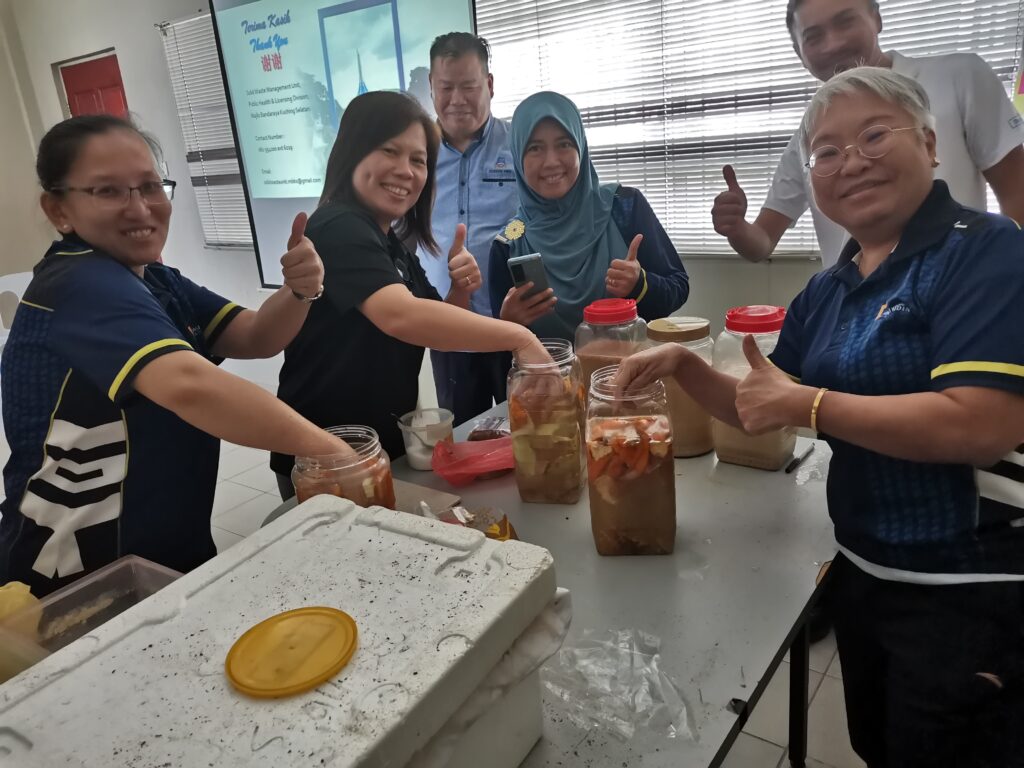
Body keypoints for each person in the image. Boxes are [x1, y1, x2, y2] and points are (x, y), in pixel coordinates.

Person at [619, 68, 1024, 767]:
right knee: (877, 744)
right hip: (862, 570)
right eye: (827, 152)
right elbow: (760, 407)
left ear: (930, 145)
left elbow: (979, 425)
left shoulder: (985, 248)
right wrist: (686, 366)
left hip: (969, 589)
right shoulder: (829, 289)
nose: (851, 162)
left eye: (874, 135)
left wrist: (809, 404)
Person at [0, 115, 352, 597]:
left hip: (160, 551)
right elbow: (191, 385)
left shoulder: (157, 280)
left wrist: (299, 291)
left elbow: (255, 336)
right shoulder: (77, 282)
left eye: (150, 186)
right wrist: (337, 454)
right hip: (75, 574)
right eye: (108, 191)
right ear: (59, 209)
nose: (140, 207)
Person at [273, 91, 551, 497]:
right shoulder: (337, 226)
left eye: (418, 161)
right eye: (390, 151)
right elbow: (400, 316)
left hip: (375, 447)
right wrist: (520, 338)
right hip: (325, 455)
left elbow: (434, 325)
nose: (406, 171)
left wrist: (460, 289)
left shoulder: (392, 244)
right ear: (353, 152)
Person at [711, 0, 1024, 268]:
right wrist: (736, 227)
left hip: (959, 294)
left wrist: (1001, 278)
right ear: (800, 54)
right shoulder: (807, 140)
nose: (833, 44)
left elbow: (1016, 191)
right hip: (854, 307)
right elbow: (762, 241)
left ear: (876, 18)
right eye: (814, 36)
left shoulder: (960, 77)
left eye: (845, 21)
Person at [489, 91, 689, 341]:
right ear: (518, 156)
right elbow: (501, 352)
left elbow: (678, 287)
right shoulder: (509, 245)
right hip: (550, 368)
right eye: (535, 148)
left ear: (580, 147)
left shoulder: (624, 206)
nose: (551, 162)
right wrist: (508, 325)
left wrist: (640, 284)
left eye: (564, 144)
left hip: (632, 365)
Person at [417, 32, 518, 426]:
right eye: (446, 87)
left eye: (469, 86)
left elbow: (539, 216)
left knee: (525, 427)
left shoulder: (518, 146)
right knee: (462, 436)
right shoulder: (416, 155)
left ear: (489, 85)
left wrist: (506, 239)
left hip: (510, 320)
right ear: (431, 86)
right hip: (449, 326)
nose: (457, 99)